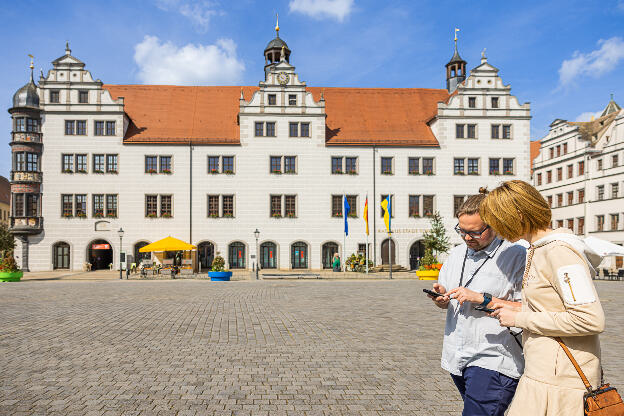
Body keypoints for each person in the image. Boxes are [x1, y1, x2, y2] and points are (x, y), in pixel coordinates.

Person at [481, 180, 605, 415]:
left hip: (561, 383)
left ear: (517, 215)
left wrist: (519, 319)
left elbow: (590, 319)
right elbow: (552, 306)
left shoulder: (559, 251)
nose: (495, 229)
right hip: (544, 373)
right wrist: (517, 310)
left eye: (497, 220)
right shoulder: (538, 248)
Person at [428, 189, 526, 416]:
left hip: (494, 358)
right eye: (462, 231)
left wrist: (483, 299)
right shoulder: (456, 254)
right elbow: (447, 297)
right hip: (457, 356)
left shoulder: (517, 255)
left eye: (475, 233)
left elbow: (530, 308)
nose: (467, 238)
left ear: (494, 225)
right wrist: (441, 299)